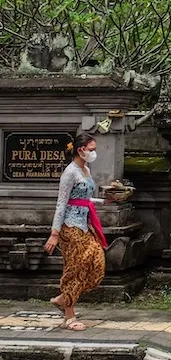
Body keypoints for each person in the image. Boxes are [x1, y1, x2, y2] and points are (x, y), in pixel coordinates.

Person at [44, 133, 109, 331]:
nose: (94, 153)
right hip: (69, 227)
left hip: (84, 224)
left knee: (97, 262)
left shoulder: (86, 170)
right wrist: (54, 234)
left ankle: (64, 298)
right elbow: (61, 204)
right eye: (91, 149)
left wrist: (105, 201)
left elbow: (85, 199)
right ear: (81, 150)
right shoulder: (70, 173)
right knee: (74, 268)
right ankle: (69, 316)